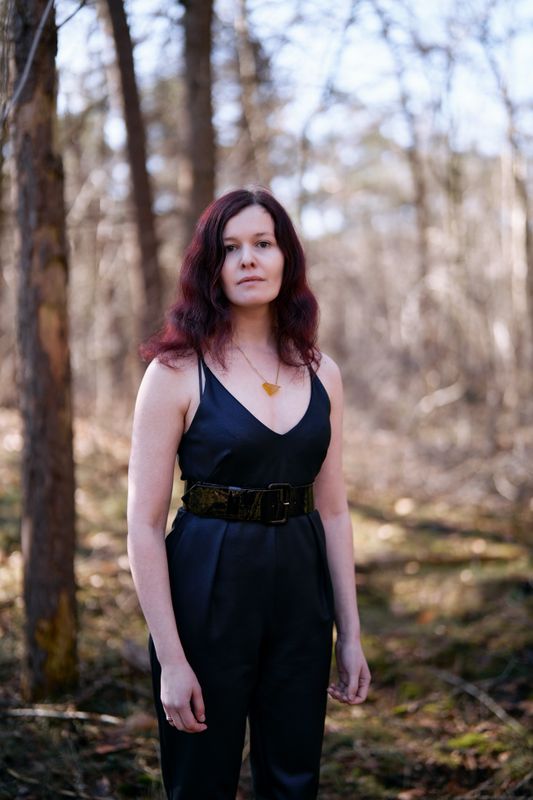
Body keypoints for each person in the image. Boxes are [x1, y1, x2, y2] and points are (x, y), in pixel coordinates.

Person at [126, 187, 371, 800]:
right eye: (230, 248)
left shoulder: (322, 371)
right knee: (201, 780)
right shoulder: (175, 371)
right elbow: (143, 524)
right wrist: (172, 658)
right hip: (207, 585)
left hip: (301, 590)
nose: (248, 259)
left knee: (293, 779)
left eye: (263, 243)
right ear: (210, 266)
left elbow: (334, 510)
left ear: (287, 257)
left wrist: (350, 634)